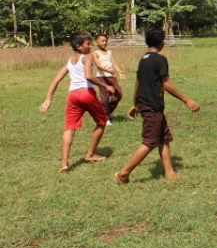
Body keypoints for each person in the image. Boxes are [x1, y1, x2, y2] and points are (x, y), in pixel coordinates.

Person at [114, 27, 200, 184]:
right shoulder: (160, 60)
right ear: (163, 42)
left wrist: (134, 104)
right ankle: (124, 173)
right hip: (151, 105)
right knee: (149, 142)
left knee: (163, 138)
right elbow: (165, 84)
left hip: (147, 104)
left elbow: (137, 83)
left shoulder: (144, 58)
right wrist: (186, 100)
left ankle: (169, 172)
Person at [39, 31, 115, 173]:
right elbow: (88, 76)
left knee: (69, 128)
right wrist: (105, 86)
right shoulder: (87, 58)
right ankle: (90, 154)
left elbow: (56, 80)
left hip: (73, 96)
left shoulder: (69, 61)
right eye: (88, 44)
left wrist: (48, 98)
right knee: (102, 121)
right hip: (86, 93)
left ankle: (64, 163)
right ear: (79, 46)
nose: (91, 46)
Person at [91, 33, 126, 125]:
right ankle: (104, 117)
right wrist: (109, 70)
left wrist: (119, 72)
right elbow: (98, 65)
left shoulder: (109, 52)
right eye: (102, 41)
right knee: (105, 97)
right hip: (101, 77)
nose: (104, 42)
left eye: (106, 41)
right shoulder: (95, 53)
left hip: (111, 77)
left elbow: (114, 63)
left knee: (118, 94)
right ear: (96, 42)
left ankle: (108, 111)